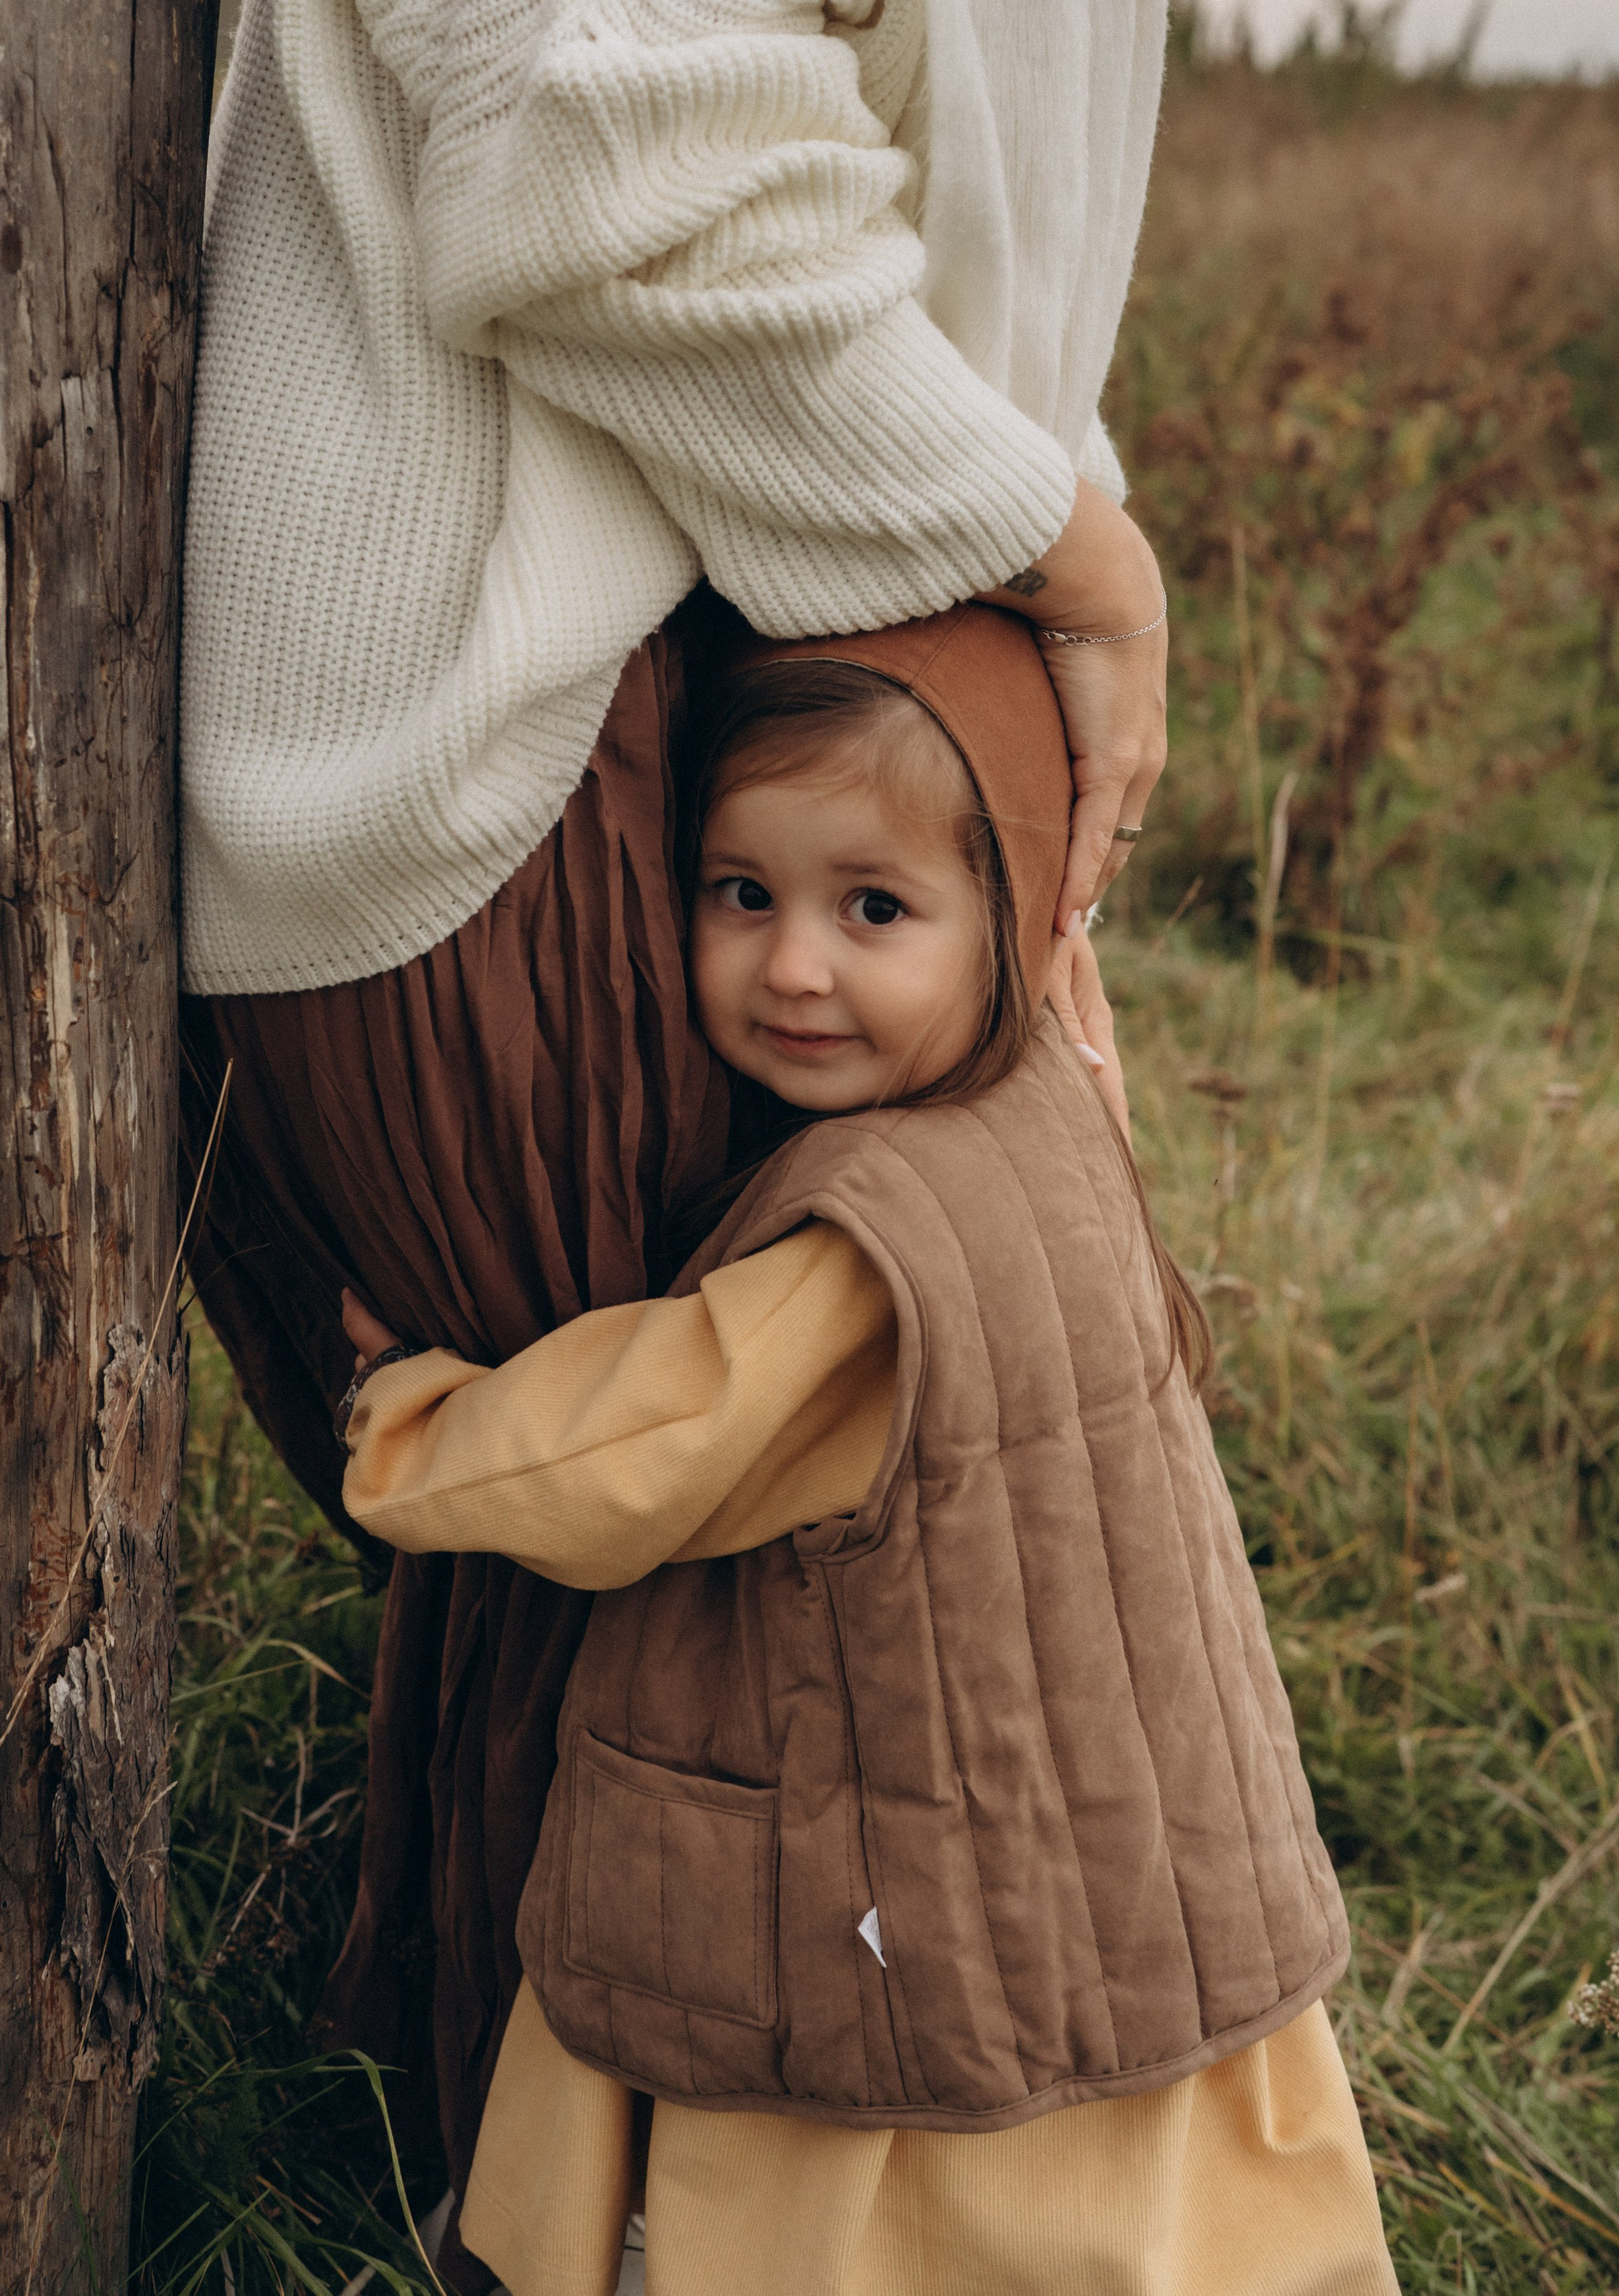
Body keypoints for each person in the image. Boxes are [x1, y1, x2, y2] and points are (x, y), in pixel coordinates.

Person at [177, 0, 1619, 2268]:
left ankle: (551, 2171)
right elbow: (627, 173)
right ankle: (663, 2190)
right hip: (515, 753)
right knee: (771, 1528)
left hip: (731, 729)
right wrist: (1084, 561)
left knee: (832, 1529)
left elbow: (911, 211)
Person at [335, 606, 1399, 2296]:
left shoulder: (861, 1261)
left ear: (1013, 918)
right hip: (1136, 1835)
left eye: (872, 908)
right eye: (739, 893)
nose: (796, 967)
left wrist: (404, 1414)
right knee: (1108, 2113)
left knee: (875, 2125)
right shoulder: (1054, 1099)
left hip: (889, 1887)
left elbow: (648, 1445)